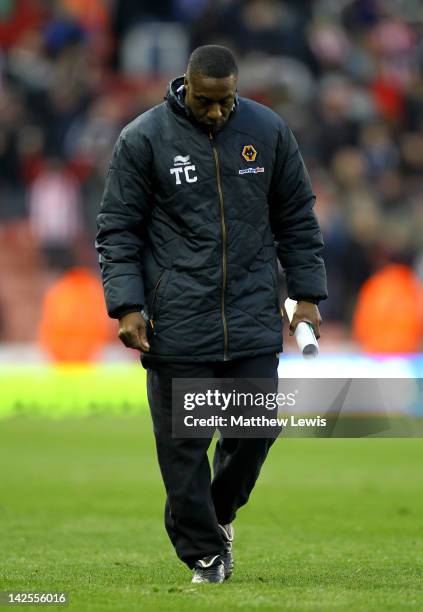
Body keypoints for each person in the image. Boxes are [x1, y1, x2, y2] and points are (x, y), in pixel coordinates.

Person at [96, 45, 327, 584]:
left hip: (250, 314)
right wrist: (127, 306)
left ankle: (216, 517)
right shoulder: (144, 138)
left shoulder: (268, 131)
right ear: (187, 87)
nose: (217, 112)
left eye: (225, 102)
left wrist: (307, 295)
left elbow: (297, 219)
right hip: (176, 321)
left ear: (236, 89)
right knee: (184, 450)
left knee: (253, 432)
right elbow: (117, 230)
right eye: (206, 102)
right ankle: (204, 554)